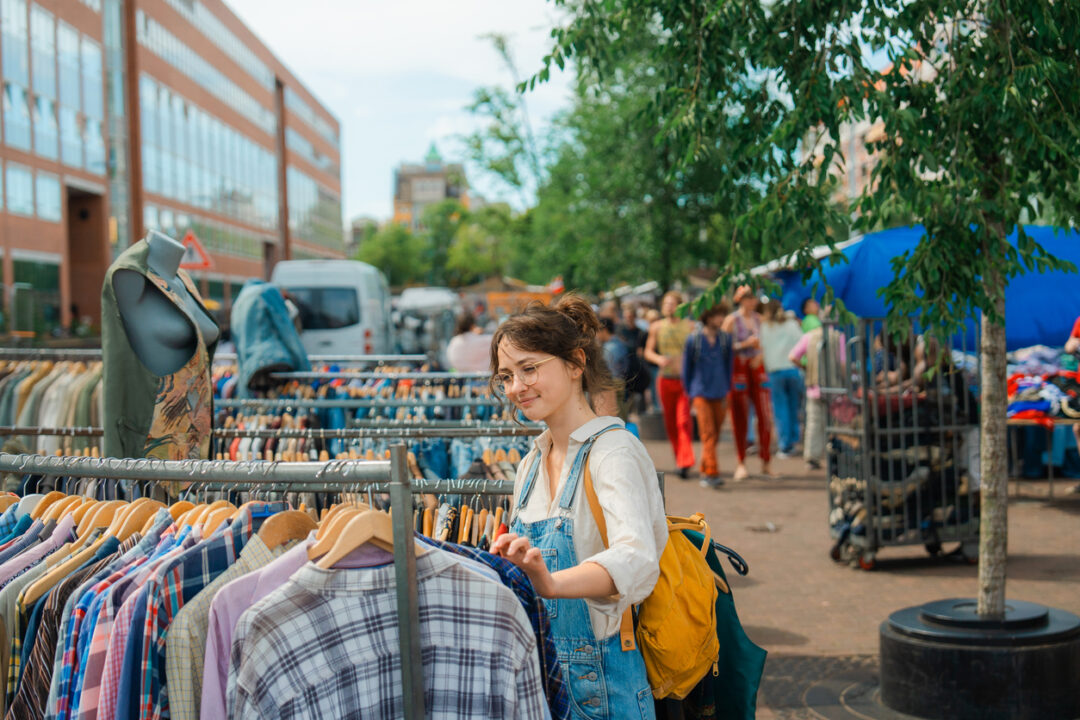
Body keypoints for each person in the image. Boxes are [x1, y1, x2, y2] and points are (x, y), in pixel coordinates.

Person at [489, 294, 667, 719]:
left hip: (604, 692)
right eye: (506, 376)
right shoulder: (530, 463)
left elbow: (636, 559)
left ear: (575, 363)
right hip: (540, 687)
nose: (516, 387)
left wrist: (549, 581)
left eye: (529, 368)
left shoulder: (613, 452)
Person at [644, 291, 697, 477]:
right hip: (665, 380)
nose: (668, 306)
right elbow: (648, 352)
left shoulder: (690, 326)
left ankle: (685, 460)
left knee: (683, 420)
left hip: (684, 381)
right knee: (671, 423)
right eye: (665, 303)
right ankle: (680, 460)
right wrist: (658, 359)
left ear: (681, 306)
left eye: (672, 303)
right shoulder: (657, 327)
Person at [682, 302, 734, 488]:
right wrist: (689, 394)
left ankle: (705, 469)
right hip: (700, 392)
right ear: (707, 317)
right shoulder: (693, 340)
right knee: (708, 434)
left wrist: (727, 389)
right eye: (716, 316)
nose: (720, 319)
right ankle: (712, 473)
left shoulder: (726, 340)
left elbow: (730, 367)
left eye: (722, 315)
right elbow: (686, 369)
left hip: (720, 392)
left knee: (715, 435)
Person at [722, 286, 773, 481]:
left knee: (765, 415)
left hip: (757, 369)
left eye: (753, 298)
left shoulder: (761, 320)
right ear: (740, 299)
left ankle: (766, 462)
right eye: (747, 298)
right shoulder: (731, 320)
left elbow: (767, 343)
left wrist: (761, 355)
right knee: (739, 416)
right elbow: (724, 348)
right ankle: (740, 462)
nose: (751, 302)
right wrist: (745, 345)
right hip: (739, 370)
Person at [760, 301, 805, 457]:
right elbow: (802, 342)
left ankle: (785, 444)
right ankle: (793, 439)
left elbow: (762, 348)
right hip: (793, 370)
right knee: (793, 407)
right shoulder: (791, 324)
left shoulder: (765, 327)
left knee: (780, 409)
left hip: (775, 372)